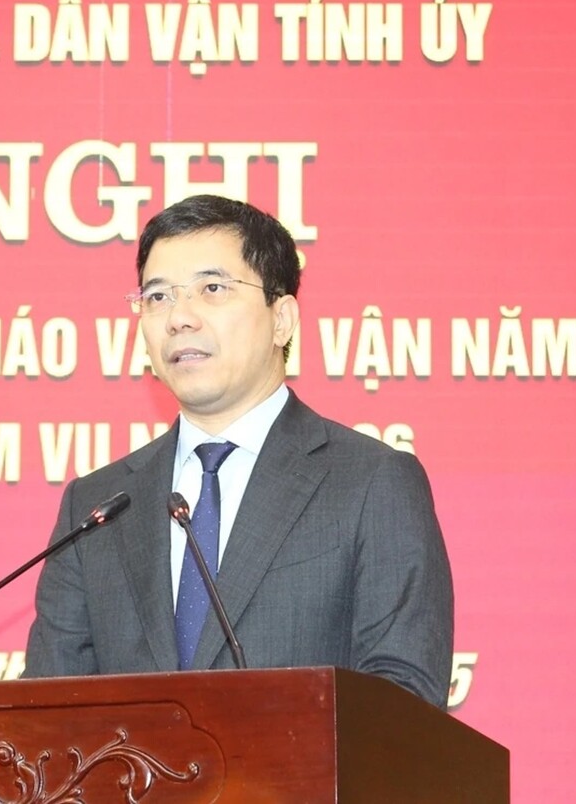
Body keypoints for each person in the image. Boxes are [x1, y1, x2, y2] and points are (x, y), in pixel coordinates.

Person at [23, 194, 454, 709]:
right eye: (157, 297)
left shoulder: (370, 483)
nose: (179, 318)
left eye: (212, 289)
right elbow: (46, 714)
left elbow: (404, 701)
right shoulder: (98, 506)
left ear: (282, 319)